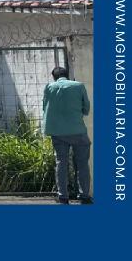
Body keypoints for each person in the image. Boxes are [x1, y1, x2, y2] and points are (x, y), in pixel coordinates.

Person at [42, 66, 92, 204]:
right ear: (67, 74)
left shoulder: (49, 87)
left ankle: (63, 196)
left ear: (54, 77)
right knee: (82, 164)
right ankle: (84, 196)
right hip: (78, 131)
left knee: (61, 163)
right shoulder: (79, 86)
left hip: (58, 133)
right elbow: (86, 109)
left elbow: (45, 107)